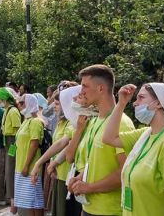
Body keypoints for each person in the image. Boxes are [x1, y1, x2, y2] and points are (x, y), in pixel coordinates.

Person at [103, 83, 164, 216]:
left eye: (141, 98)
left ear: (159, 103)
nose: (135, 103)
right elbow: (108, 138)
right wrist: (121, 104)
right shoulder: (146, 134)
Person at [68, 65, 135, 216]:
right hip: (89, 208)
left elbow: (125, 172)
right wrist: (79, 179)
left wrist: (89, 187)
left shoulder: (121, 123)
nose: (81, 92)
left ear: (100, 88)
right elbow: (98, 164)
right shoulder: (94, 121)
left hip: (109, 211)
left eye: (85, 86)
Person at [30, 85, 81, 216]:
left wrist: (52, 163)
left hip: (69, 174)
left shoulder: (74, 123)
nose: (55, 107)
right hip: (61, 174)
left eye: (57, 104)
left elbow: (65, 145)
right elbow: (58, 144)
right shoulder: (64, 122)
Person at [13, 94, 45, 215]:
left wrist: (26, 165)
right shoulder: (26, 121)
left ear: (30, 104)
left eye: (22, 103)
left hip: (31, 167)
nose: (19, 105)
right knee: (29, 201)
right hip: (21, 165)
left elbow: (34, 144)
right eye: (19, 103)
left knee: (35, 200)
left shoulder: (35, 122)